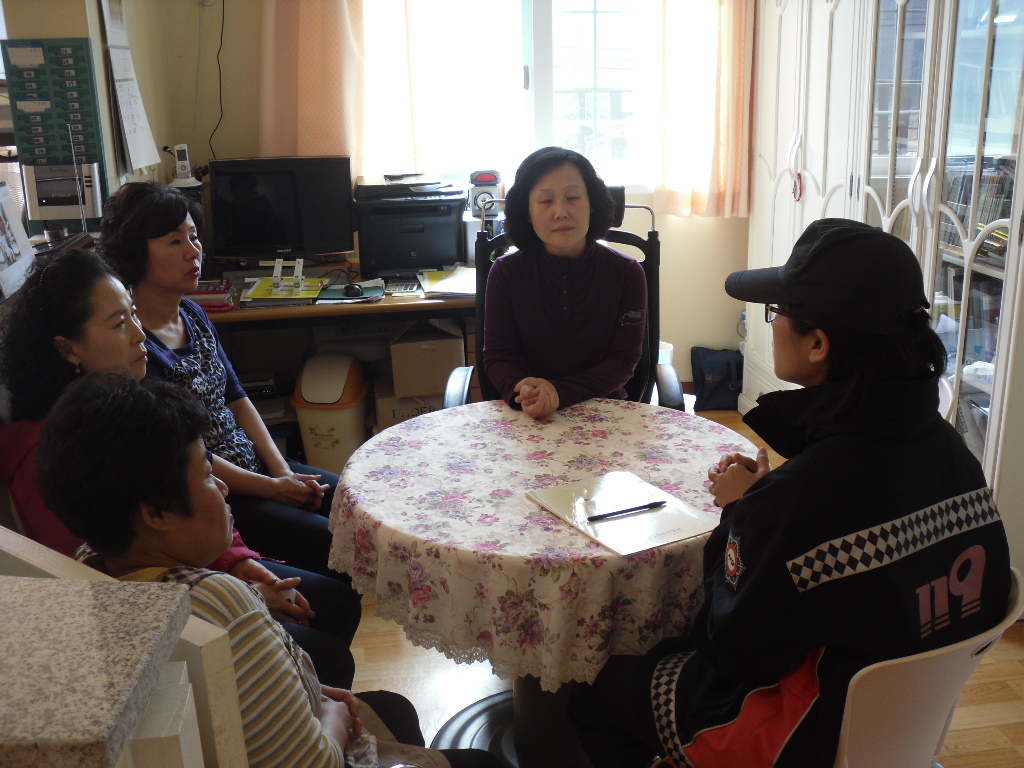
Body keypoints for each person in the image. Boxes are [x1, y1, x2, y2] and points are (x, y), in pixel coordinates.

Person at [567, 218, 1012, 768]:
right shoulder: (953, 454)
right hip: (904, 727)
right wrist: (769, 505)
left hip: (801, 733)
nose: (771, 322)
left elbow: (729, 648)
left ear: (819, 343)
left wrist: (741, 511)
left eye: (776, 311)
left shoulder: (796, 498)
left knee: (595, 685)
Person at [36, 371, 503, 768]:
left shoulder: (86, 567)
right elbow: (317, 762)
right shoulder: (220, 601)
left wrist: (310, 692)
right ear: (156, 513)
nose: (222, 486)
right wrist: (332, 717)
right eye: (206, 474)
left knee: (394, 707)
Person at [0, 248, 356, 688]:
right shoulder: (53, 453)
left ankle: (306, 700)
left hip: (199, 569)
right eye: (118, 323)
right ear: (66, 347)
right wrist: (240, 594)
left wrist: (239, 562)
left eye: (134, 315)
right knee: (329, 641)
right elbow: (110, 583)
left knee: (336, 602)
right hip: (159, 614)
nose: (140, 336)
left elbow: (200, 489)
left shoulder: (130, 402)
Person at [98, 181, 360, 598]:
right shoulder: (136, 347)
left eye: (194, 237)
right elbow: (187, 453)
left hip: (256, 467)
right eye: (174, 241)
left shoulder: (194, 313)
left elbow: (237, 398)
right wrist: (273, 488)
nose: (193, 251)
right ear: (136, 252)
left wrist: (282, 469)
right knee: (334, 543)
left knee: (353, 502)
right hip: (217, 493)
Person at [484, 146, 647, 418]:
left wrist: (558, 393)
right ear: (527, 212)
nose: (560, 212)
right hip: (528, 412)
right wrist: (525, 390)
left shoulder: (627, 273)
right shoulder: (505, 273)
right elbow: (499, 357)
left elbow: (623, 361)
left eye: (572, 197)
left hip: (603, 411)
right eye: (545, 201)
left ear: (592, 203)